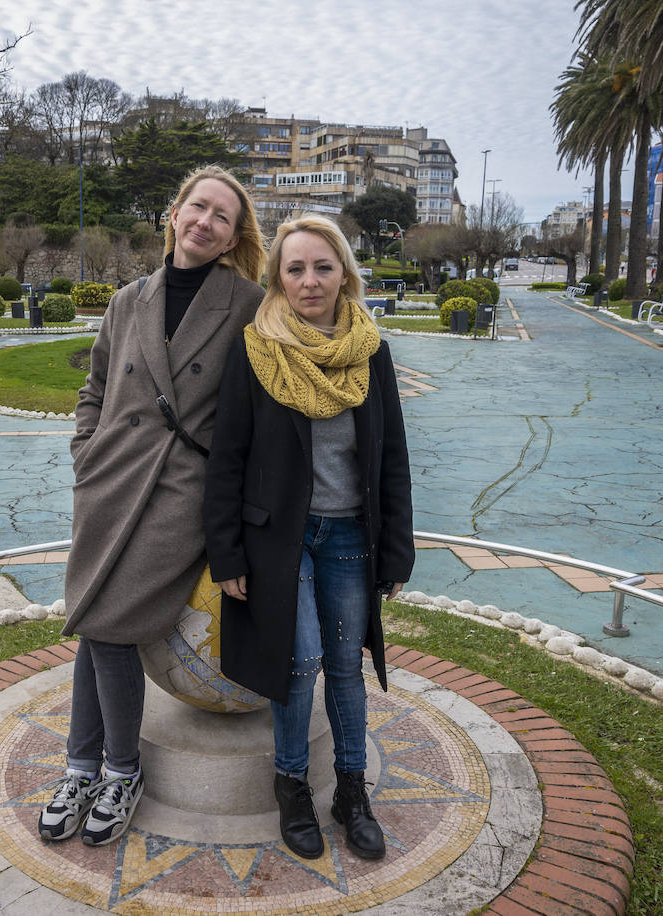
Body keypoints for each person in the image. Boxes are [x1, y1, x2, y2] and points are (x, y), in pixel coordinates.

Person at [37, 166, 267, 846]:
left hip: (181, 488)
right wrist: (86, 449)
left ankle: (117, 768)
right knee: (95, 619)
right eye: (198, 206)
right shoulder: (128, 299)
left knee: (107, 623)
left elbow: (258, 412)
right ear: (174, 213)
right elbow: (96, 384)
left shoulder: (248, 303)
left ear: (232, 236)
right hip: (110, 480)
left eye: (222, 216)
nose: (206, 221)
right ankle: (84, 768)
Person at [203, 216, 414, 861]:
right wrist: (227, 553)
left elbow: (392, 455)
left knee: (346, 669)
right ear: (277, 278)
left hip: (352, 534)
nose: (310, 280)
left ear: (344, 272)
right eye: (295, 269)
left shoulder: (369, 350)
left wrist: (398, 548)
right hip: (280, 543)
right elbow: (227, 458)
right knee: (298, 665)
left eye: (322, 267)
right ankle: (291, 785)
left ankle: (352, 790)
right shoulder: (255, 348)